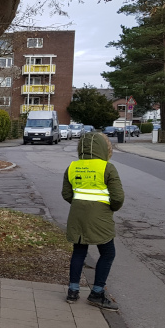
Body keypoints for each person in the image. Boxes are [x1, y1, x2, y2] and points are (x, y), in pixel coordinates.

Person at [62, 132, 125, 310]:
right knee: (107, 253)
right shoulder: (107, 168)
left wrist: (78, 204)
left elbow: (66, 194)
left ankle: (72, 292)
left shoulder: (72, 167)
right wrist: (109, 208)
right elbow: (118, 197)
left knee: (79, 251)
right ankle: (96, 293)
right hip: (100, 218)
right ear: (104, 148)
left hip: (77, 216)